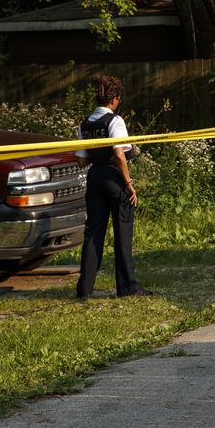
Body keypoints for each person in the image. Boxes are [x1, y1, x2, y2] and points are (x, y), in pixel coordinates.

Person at [75, 75, 151, 299]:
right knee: (122, 232)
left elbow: (81, 160)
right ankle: (127, 287)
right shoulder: (115, 121)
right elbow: (119, 155)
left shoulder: (85, 124)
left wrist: (97, 153)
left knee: (93, 234)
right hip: (113, 178)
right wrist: (129, 185)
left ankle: (84, 289)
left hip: (94, 177)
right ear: (115, 99)